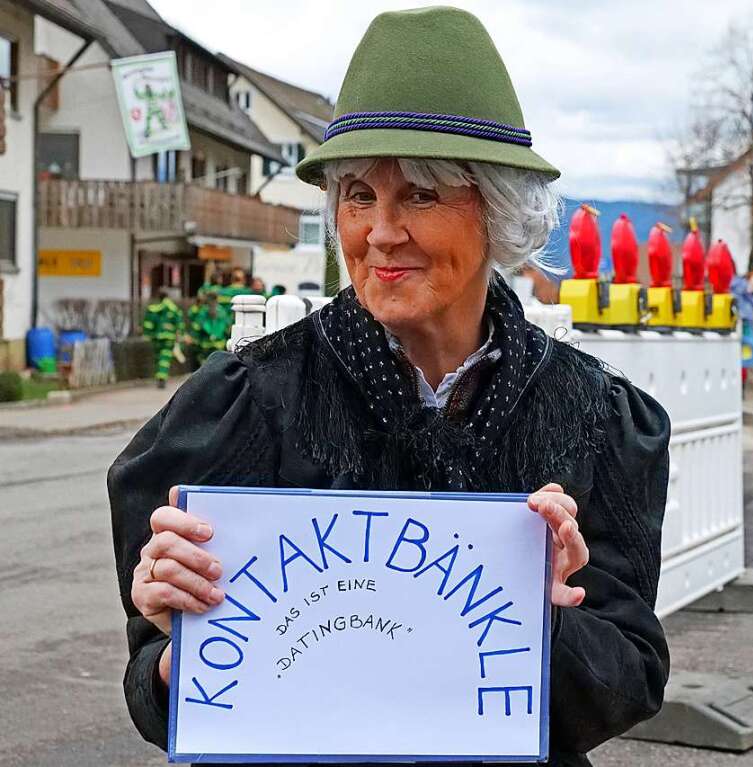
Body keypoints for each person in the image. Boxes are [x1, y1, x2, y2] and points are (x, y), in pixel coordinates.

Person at [109, 8, 670, 766]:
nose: (379, 232)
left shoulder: (591, 414)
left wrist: (539, 616)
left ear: (496, 210)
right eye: (358, 195)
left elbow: (629, 680)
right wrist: (180, 645)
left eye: (420, 195)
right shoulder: (247, 400)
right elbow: (161, 689)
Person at [730, 268, 753, 385]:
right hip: (740, 322)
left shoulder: (750, 295)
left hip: (744, 323)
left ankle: (742, 380)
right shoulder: (740, 286)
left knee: (746, 352)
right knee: (744, 350)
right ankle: (740, 379)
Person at [140, 287, 183, 389]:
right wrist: (179, 336)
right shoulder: (173, 308)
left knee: (158, 358)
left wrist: (148, 334)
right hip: (168, 338)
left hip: (156, 338)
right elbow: (179, 324)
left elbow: (148, 324)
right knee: (165, 359)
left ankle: (160, 377)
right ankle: (162, 378)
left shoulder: (153, 309)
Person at [185, 292, 231, 366]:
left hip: (206, 346)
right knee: (217, 366)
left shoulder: (203, 311)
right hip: (218, 345)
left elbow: (197, 327)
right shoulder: (222, 311)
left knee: (206, 366)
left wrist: (192, 337)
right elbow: (227, 328)